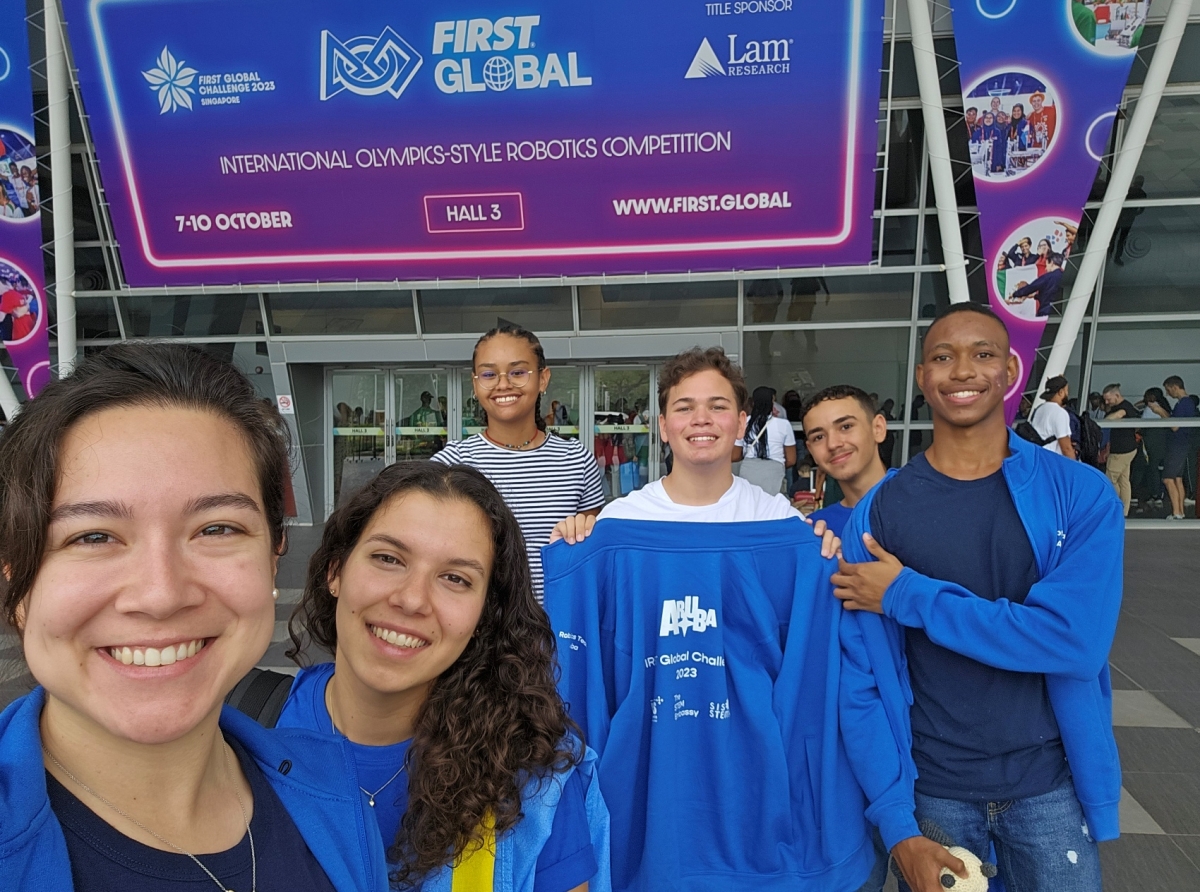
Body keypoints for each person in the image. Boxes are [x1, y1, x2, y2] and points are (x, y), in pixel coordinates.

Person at [0, 344, 389, 890]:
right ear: (18, 580)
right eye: (93, 536)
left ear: (273, 553)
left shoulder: (332, 793)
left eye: (216, 528)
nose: (161, 595)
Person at [834, 303, 1123, 892]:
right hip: (933, 791)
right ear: (921, 378)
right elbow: (858, 682)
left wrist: (907, 595)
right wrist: (896, 822)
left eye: (982, 354)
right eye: (943, 357)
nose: (962, 371)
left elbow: (1073, 641)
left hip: (1050, 788)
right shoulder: (877, 515)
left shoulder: (1078, 494)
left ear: (1011, 370)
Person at [278, 462, 608, 891]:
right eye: (388, 558)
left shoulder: (531, 775)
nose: (412, 600)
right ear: (335, 571)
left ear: (485, 613)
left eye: (455, 578)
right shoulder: (238, 730)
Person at [551, 347, 838, 544]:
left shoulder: (777, 520)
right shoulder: (621, 520)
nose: (701, 419)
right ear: (663, 426)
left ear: (740, 424)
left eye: (717, 407)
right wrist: (571, 545)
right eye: (685, 408)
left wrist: (820, 549)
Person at [432, 324, 604, 602]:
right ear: (475, 384)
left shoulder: (576, 459)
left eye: (518, 372)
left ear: (543, 379)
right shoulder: (452, 463)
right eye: (489, 374)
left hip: (558, 628)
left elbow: (592, 551)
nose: (503, 384)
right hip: (481, 634)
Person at [802, 385, 890, 539]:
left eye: (846, 427)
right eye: (819, 437)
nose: (833, 444)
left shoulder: (925, 503)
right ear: (811, 451)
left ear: (878, 428)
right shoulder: (816, 530)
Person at [733, 385, 797, 471]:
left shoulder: (744, 423)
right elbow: (791, 460)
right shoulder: (784, 424)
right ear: (772, 403)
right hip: (774, 471)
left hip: (749, 470)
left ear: (753, 403)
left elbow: (735, 456)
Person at [1162, 375, 1198, 520]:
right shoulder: (1188, 403)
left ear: (1175, 387)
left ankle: (1176, 512)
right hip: (1183, 444)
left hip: (1177, 445)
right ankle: (1180, 511)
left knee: (1167, 478)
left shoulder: (1183, 404)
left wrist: (1159, 412)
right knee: (1177, 478)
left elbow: (1174, 426)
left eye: (1168, 390)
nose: (1167, 394)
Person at [1101, 383, 1139, 515]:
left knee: (1110, 480)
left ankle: (1113, 506)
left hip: (1121, 450)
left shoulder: (1124, 408)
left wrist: (1103, 421)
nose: (1106, 402)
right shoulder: (1126, 406)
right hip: (1127, 448)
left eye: (1108, 399)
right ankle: (1124, 511)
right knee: (1124, 481)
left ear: (1117, 395)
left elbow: (1117, 415)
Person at [1031, 375, 1077, 459]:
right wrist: (1074, 468)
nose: (1067, 394)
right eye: (1066, 391)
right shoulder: (1060, 413)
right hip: (1051, 461)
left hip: (1038, 458)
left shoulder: (1039, 409)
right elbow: (1066, 448)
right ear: (1061, 392)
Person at [1111, 176, 1147, 265]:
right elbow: (1141, 209)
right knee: (1122, 239)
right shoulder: (1142, 194)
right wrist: (1133, 214)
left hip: (1120, 216)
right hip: (1129, 219)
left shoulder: (1127, 190)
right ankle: (1117, 257)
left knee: (1113, 236)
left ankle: (1109, 253)